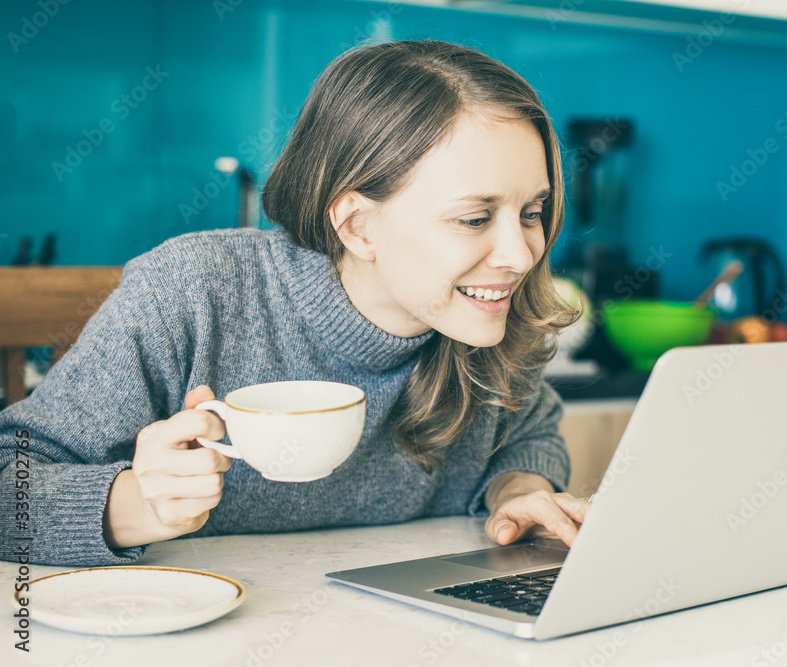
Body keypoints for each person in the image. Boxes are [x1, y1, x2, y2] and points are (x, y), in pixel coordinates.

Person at [0, 39, 592, 567]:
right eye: (474, 218)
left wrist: (520, 491)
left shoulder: (477, 320)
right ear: (358, 225)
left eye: (533, 213)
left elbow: (528, 434)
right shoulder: (190, 290)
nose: (521, 254)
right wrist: (132, 505)